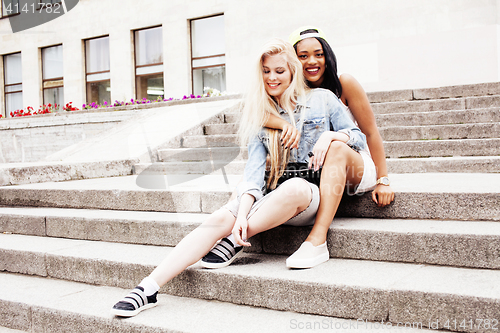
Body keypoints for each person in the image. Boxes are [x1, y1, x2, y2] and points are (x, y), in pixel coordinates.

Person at [111, 38, 364, 317]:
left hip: (310, 196)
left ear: (292, 71)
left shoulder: (322, 100)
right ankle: (148, 287)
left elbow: (358, 138)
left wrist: (330, 136)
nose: (272, 77)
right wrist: (242, 214)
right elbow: (253, 176)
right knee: (220, 218)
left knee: (295, 188)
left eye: (279, 71)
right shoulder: (261, 118)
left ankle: (233, 241)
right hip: (271, 196)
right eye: (266, 71)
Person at [202, 27, 394, 270]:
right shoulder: (289, 91)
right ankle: (230, 225)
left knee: (334, 147)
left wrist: (383, 179)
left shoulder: (339, 86)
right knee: (259, 168)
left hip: (351, 160)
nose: (311, 61)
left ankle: (317, 240)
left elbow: (368, 133)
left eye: (318, 54)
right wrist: (283, 125)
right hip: (317, 172)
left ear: (328, 56)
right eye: (303, 56)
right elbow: (258, 116)